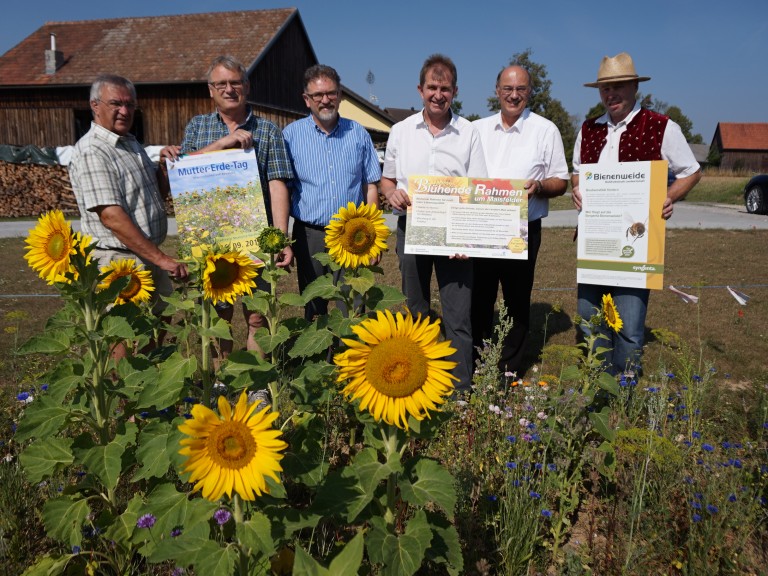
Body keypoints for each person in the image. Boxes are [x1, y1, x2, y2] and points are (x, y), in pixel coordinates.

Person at [572, 52, 701, 376]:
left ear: (634, 87)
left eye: (618, 86)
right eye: (605, 88)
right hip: (596, 242)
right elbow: (577, 172)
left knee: (628, 326)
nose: (611, 94)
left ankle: (624, 393)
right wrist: (577, 189)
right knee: (589, 321)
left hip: (637, 243)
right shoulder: (588, 129)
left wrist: (667, 198)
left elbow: (691, 171)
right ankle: (595, 387)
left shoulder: (661, 126)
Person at [162, 55, 294, 360]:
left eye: (235, 82)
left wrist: (280, 237)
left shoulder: (268, 130)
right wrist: (224, 143)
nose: (229, 89)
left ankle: (256, 384)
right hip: (211, 240)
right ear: (210, 90)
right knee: (218, 317)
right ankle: (221, 379)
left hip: (254, 238)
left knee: (257, 316)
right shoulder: (198, 127)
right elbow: (182, 170)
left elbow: (277, 184)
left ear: (246, 87)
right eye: (221, 83)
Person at [381, 54, 487, 391]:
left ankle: (459, 389)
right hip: (412, 229)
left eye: (444, 88)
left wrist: (467, 239)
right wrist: (392, 194)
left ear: (455, 91)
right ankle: (421, 379)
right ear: (420, 89)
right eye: (431, 87)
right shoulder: (400, 131)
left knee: (458, 315)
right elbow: (388, 180)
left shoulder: (468, 132)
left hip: (456, 235)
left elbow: (478, 187)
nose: (437, 94)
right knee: (416, 309)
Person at [69, 74, 188, 358]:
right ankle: (123, 399)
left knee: (158, 319)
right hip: (117, 259)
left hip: (146, 252)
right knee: (121, 333)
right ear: (94, 106)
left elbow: (154, 195)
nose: (124, 111)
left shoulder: (129, 144)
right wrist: (162, 259)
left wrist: (163, 169)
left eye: (130, 104)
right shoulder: (92, 151)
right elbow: (111, 216)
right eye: (116, 104)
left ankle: (149, 391)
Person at [472, 65, 569, 377]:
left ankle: (509, 369)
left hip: (523, 229)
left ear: (530, 92)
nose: (514, 95)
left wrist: (539, 187)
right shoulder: (477, 129)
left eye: (521, 89)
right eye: (508, 88)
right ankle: (477, 361)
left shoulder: (545, 130)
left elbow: (561, 181)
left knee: (516, 300)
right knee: (479, 297)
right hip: (482, 227)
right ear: (497, 90)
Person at [283, 64, 382, 320]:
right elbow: (282, 189)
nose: (325, 100)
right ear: (307, 100)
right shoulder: (291, 136)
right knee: (314, 305)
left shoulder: (358, 133)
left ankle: (348, 359)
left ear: (340, 96)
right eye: (318, 95)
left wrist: (373, 235)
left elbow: (371, 185)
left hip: (354, 233)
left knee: (353, 305)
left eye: (331, 93)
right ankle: (318, 358)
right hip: (310, 235)